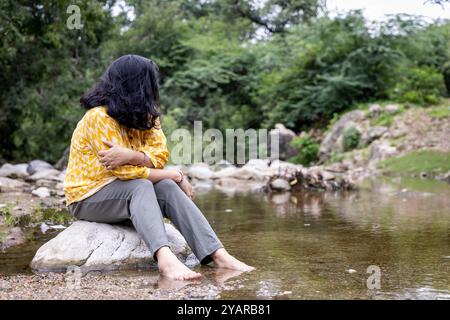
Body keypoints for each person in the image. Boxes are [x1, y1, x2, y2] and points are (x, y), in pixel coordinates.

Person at [64, 54, 254, 280]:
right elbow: (123, 172)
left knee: (166, 187)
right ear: (138, 85)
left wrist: (132, 155)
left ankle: (217, 255)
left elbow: (160, 155)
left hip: (124, 195)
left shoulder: (146, 117)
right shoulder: (99, 117)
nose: (154, 88)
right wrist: (175, 174)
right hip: (88, 197)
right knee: (143, 186)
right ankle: (166, 260)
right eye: (151, 83)